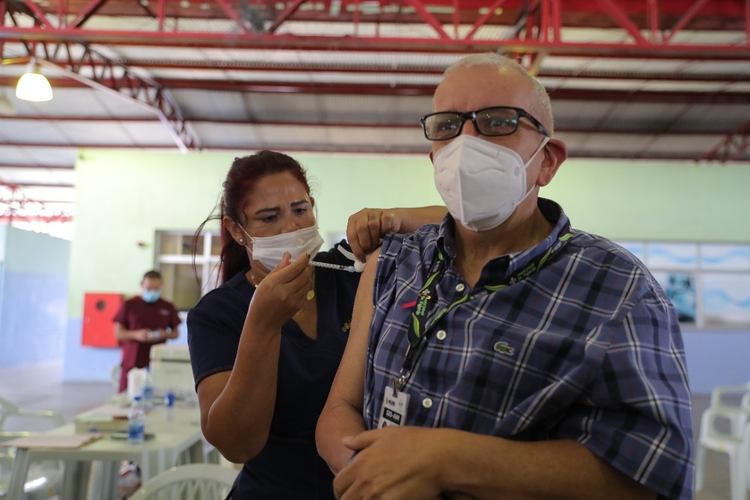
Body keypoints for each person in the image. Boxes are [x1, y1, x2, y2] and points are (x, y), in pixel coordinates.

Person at [316, 53, 694, 500]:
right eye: (447, 126)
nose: (466, 144)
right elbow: (340, 408)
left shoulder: (618, 289)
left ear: (547, 160)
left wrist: (446, 462)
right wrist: (373, 474)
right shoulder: (395, 263)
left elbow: (653, 473)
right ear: (434, 155)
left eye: (498, 122)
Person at [186, 150, 444, 499]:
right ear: (236, 230)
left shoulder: (351, 269)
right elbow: (236, 444)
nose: (291, 228)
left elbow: (462, 228)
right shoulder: (218, 312)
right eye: (269, 217)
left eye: (300, 210)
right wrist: (262, 326)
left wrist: (392, 218)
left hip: (366, 483)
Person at [113, 269, 181, 393]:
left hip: (157, 360)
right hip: (133, 360)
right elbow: (118, 333)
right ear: (142, 285)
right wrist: (136, 334)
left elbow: (176, 333)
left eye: (156, 289)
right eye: (149, 288)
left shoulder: (167, 306)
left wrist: (165, 334)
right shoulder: (129, 305)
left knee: (156, 395)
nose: (152, 292)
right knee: (127, 395)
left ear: (161, 286)